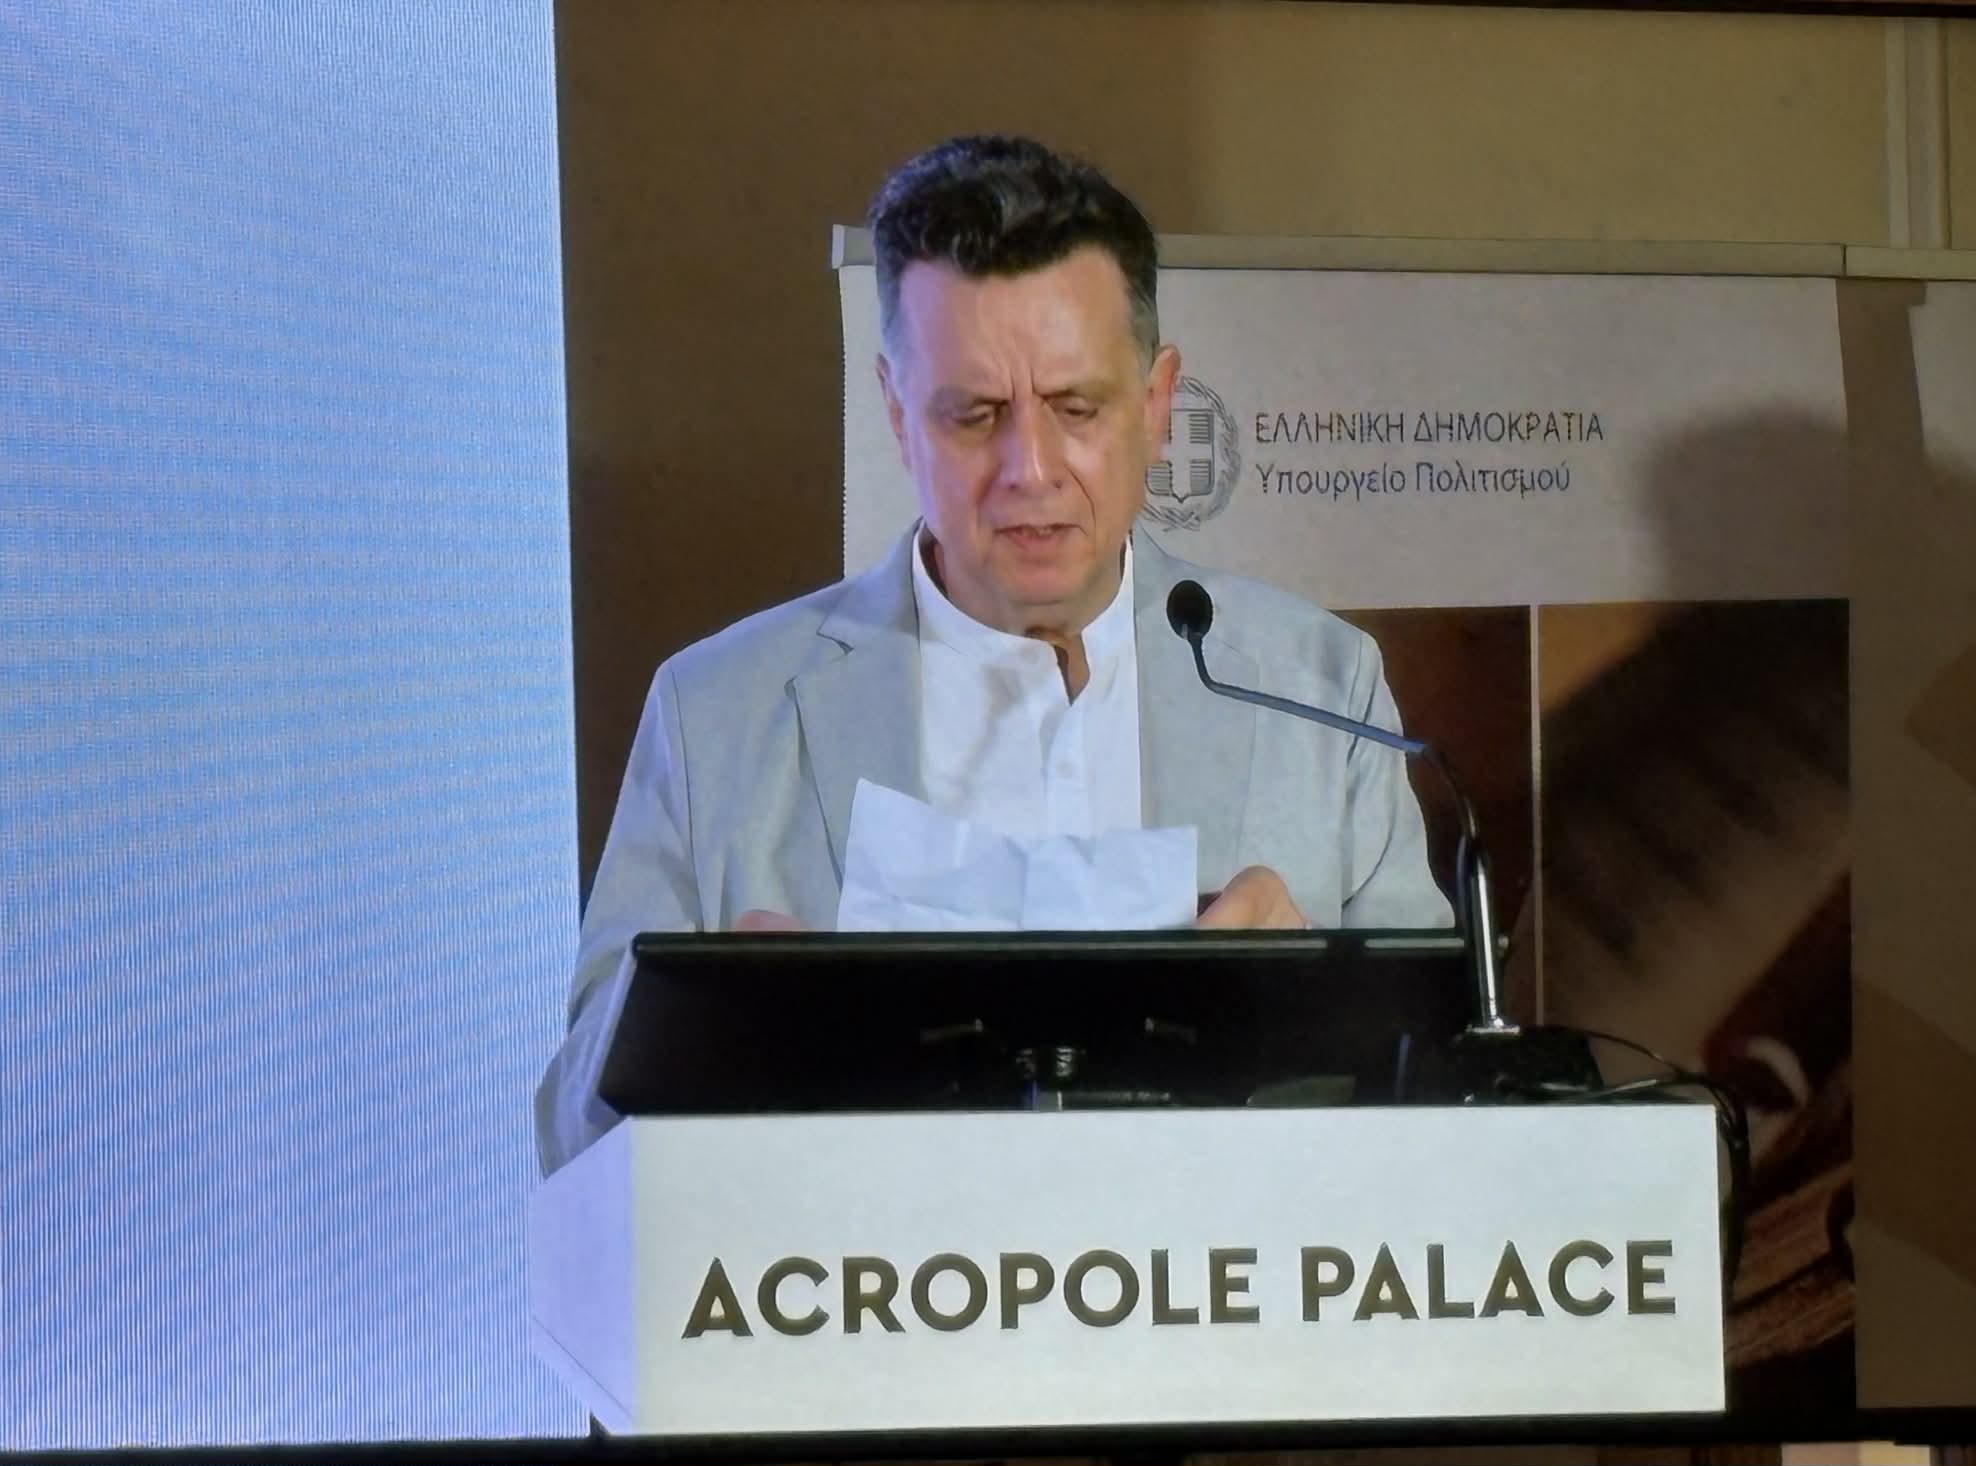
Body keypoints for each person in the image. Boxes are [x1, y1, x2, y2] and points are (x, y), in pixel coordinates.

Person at [535, 135, 1449, 1175]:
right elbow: (571, 1135)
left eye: (1075, 409)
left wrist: (1311, 1005)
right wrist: (712, 1023)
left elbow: (1441, 1094)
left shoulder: (1320, 690)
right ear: (897, 414)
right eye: (974, 416)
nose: (1030, 469)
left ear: (1156, 406)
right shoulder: (718, 712)